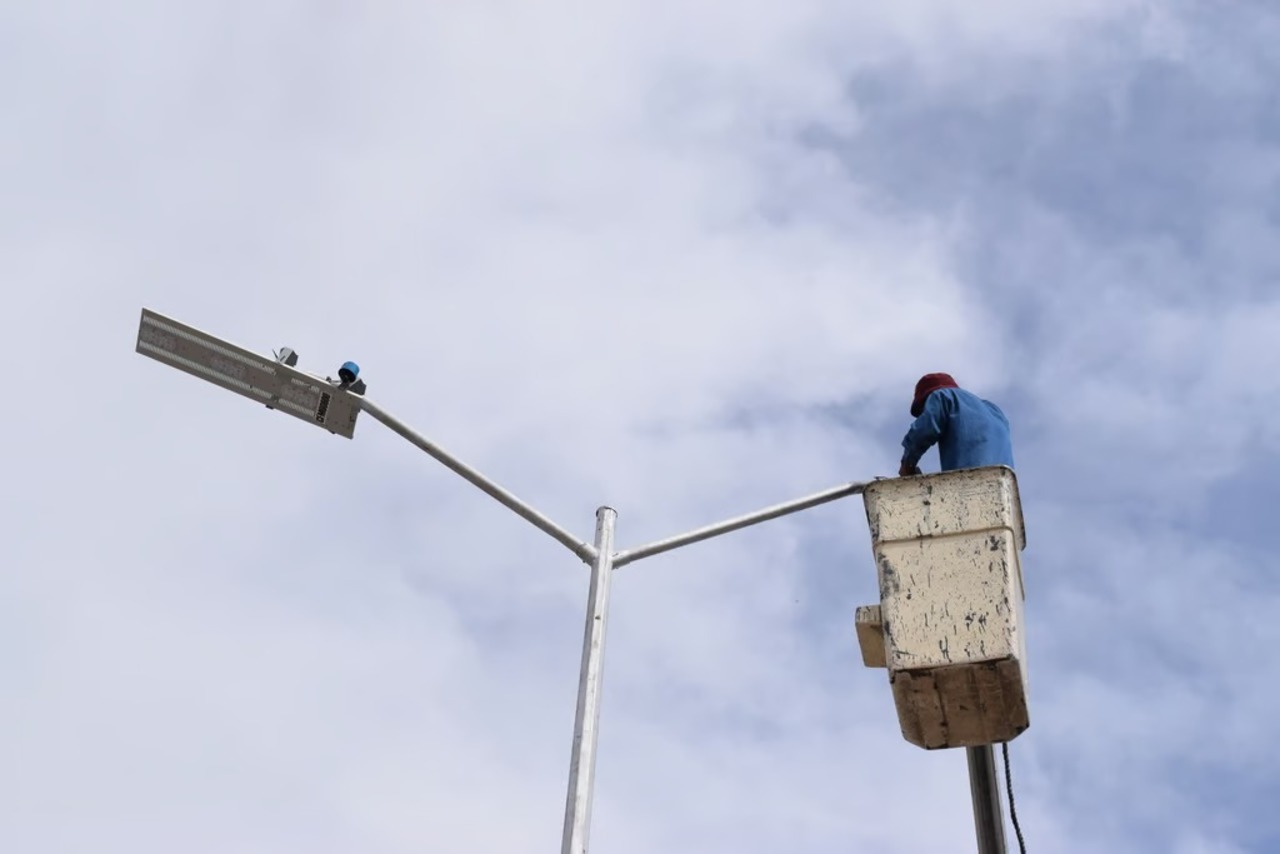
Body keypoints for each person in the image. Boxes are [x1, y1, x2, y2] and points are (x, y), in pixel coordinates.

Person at [898, 373, 1014, 477]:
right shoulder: (995, 411)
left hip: (969, 480)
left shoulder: (942, 396)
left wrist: (907, 464)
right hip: (1003, 484)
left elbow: (922, 431)